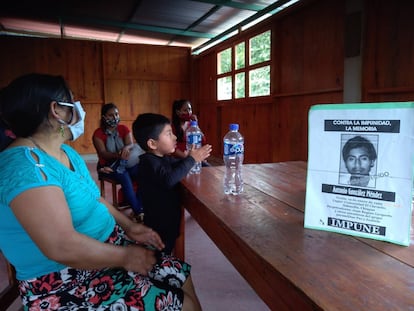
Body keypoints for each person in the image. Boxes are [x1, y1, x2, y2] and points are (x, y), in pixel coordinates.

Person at [0, 73, 202, 310]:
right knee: (181, 303)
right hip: (66, 281)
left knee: (181, 274)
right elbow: (60, 245)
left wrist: (129, 226)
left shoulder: (67, 153)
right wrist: (125, 257)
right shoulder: (25, 166)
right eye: (72, 101)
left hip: (107, 251)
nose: (79, 108)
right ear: (56, 110)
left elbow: (95, 198)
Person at [132, 113, 212, 255]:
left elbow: (179, 166)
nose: (175, 137)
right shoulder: (148, 163)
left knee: (167, 252)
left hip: (169, 223)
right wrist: (191, 160)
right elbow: (168, 180)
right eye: (169, 134)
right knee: (158, 257)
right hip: (159, 226)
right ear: (152, 143)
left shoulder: (163, 158)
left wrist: (196, 159)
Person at [92, 103, 144, 215]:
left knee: (142, 173)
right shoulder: (98, 134)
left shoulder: (123, 129)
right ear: (104, 117)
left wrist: (126, 148)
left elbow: (131, 145)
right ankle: (138, 211)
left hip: (125, 162)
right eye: (111, 115)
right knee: (124, 176)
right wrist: (118, 155)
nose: (115, 117)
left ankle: (139, 204)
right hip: (107, 167)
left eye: (116, 114)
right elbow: (103, 153)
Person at [171, 99, 209, 166]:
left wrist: (196, 125)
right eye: (185, 110)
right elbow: (173, 148)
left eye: (190, 109)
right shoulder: (171, 126)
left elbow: (203, 141)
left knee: (208, 168)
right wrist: (188, 158)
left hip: (191, 157)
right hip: (178, 158)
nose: (189, 113)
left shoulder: (191, 126)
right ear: (177, 112)